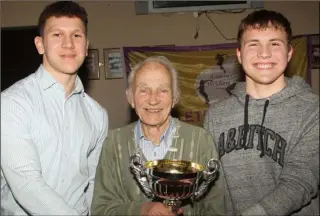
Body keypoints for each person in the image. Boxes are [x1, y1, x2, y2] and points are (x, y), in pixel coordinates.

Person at [204, 9, 319, 216]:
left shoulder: (312, 110)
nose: (264, 53)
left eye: (275, 44)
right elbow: (210, 184)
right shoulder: (215, 115)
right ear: (239, 54)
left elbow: (299, 182)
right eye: (253, 44)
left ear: (289, 52)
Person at [1, 1, 108, 215]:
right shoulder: (12, 103)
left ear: (86, 46)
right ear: (40, 45)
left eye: (76, 36)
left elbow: (94, 183)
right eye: (57, 35)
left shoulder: (97, 115)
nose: (68, 44)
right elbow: (26, 185)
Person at [91, 56, 225, 216]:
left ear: (174, 97)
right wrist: (141, 210)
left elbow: (215, 208)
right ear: (130, 98)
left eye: (162, 90)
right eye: (143, 90)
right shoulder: (113, 142)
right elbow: (101, 209)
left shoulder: (200, 140)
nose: (153, 100)